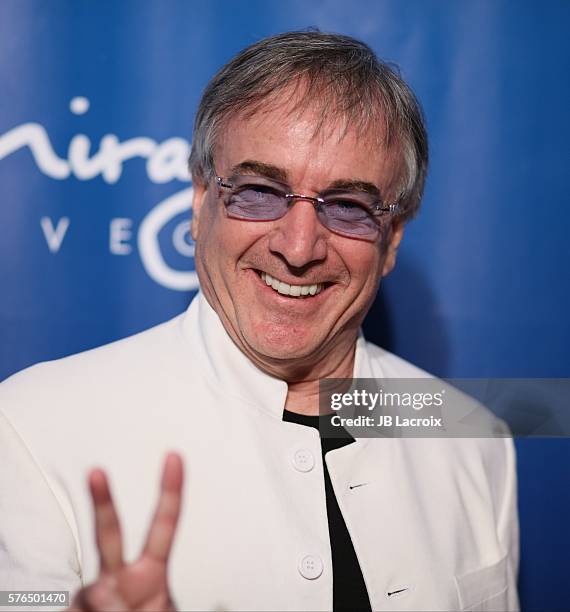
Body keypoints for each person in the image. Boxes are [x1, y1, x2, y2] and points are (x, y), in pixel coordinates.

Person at [0, 31, 519, 611]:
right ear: (200, 203)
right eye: (260, 191)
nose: (299, 248)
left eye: (348, 206)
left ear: (392, 238)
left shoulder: (473, 435)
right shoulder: (33, 425)